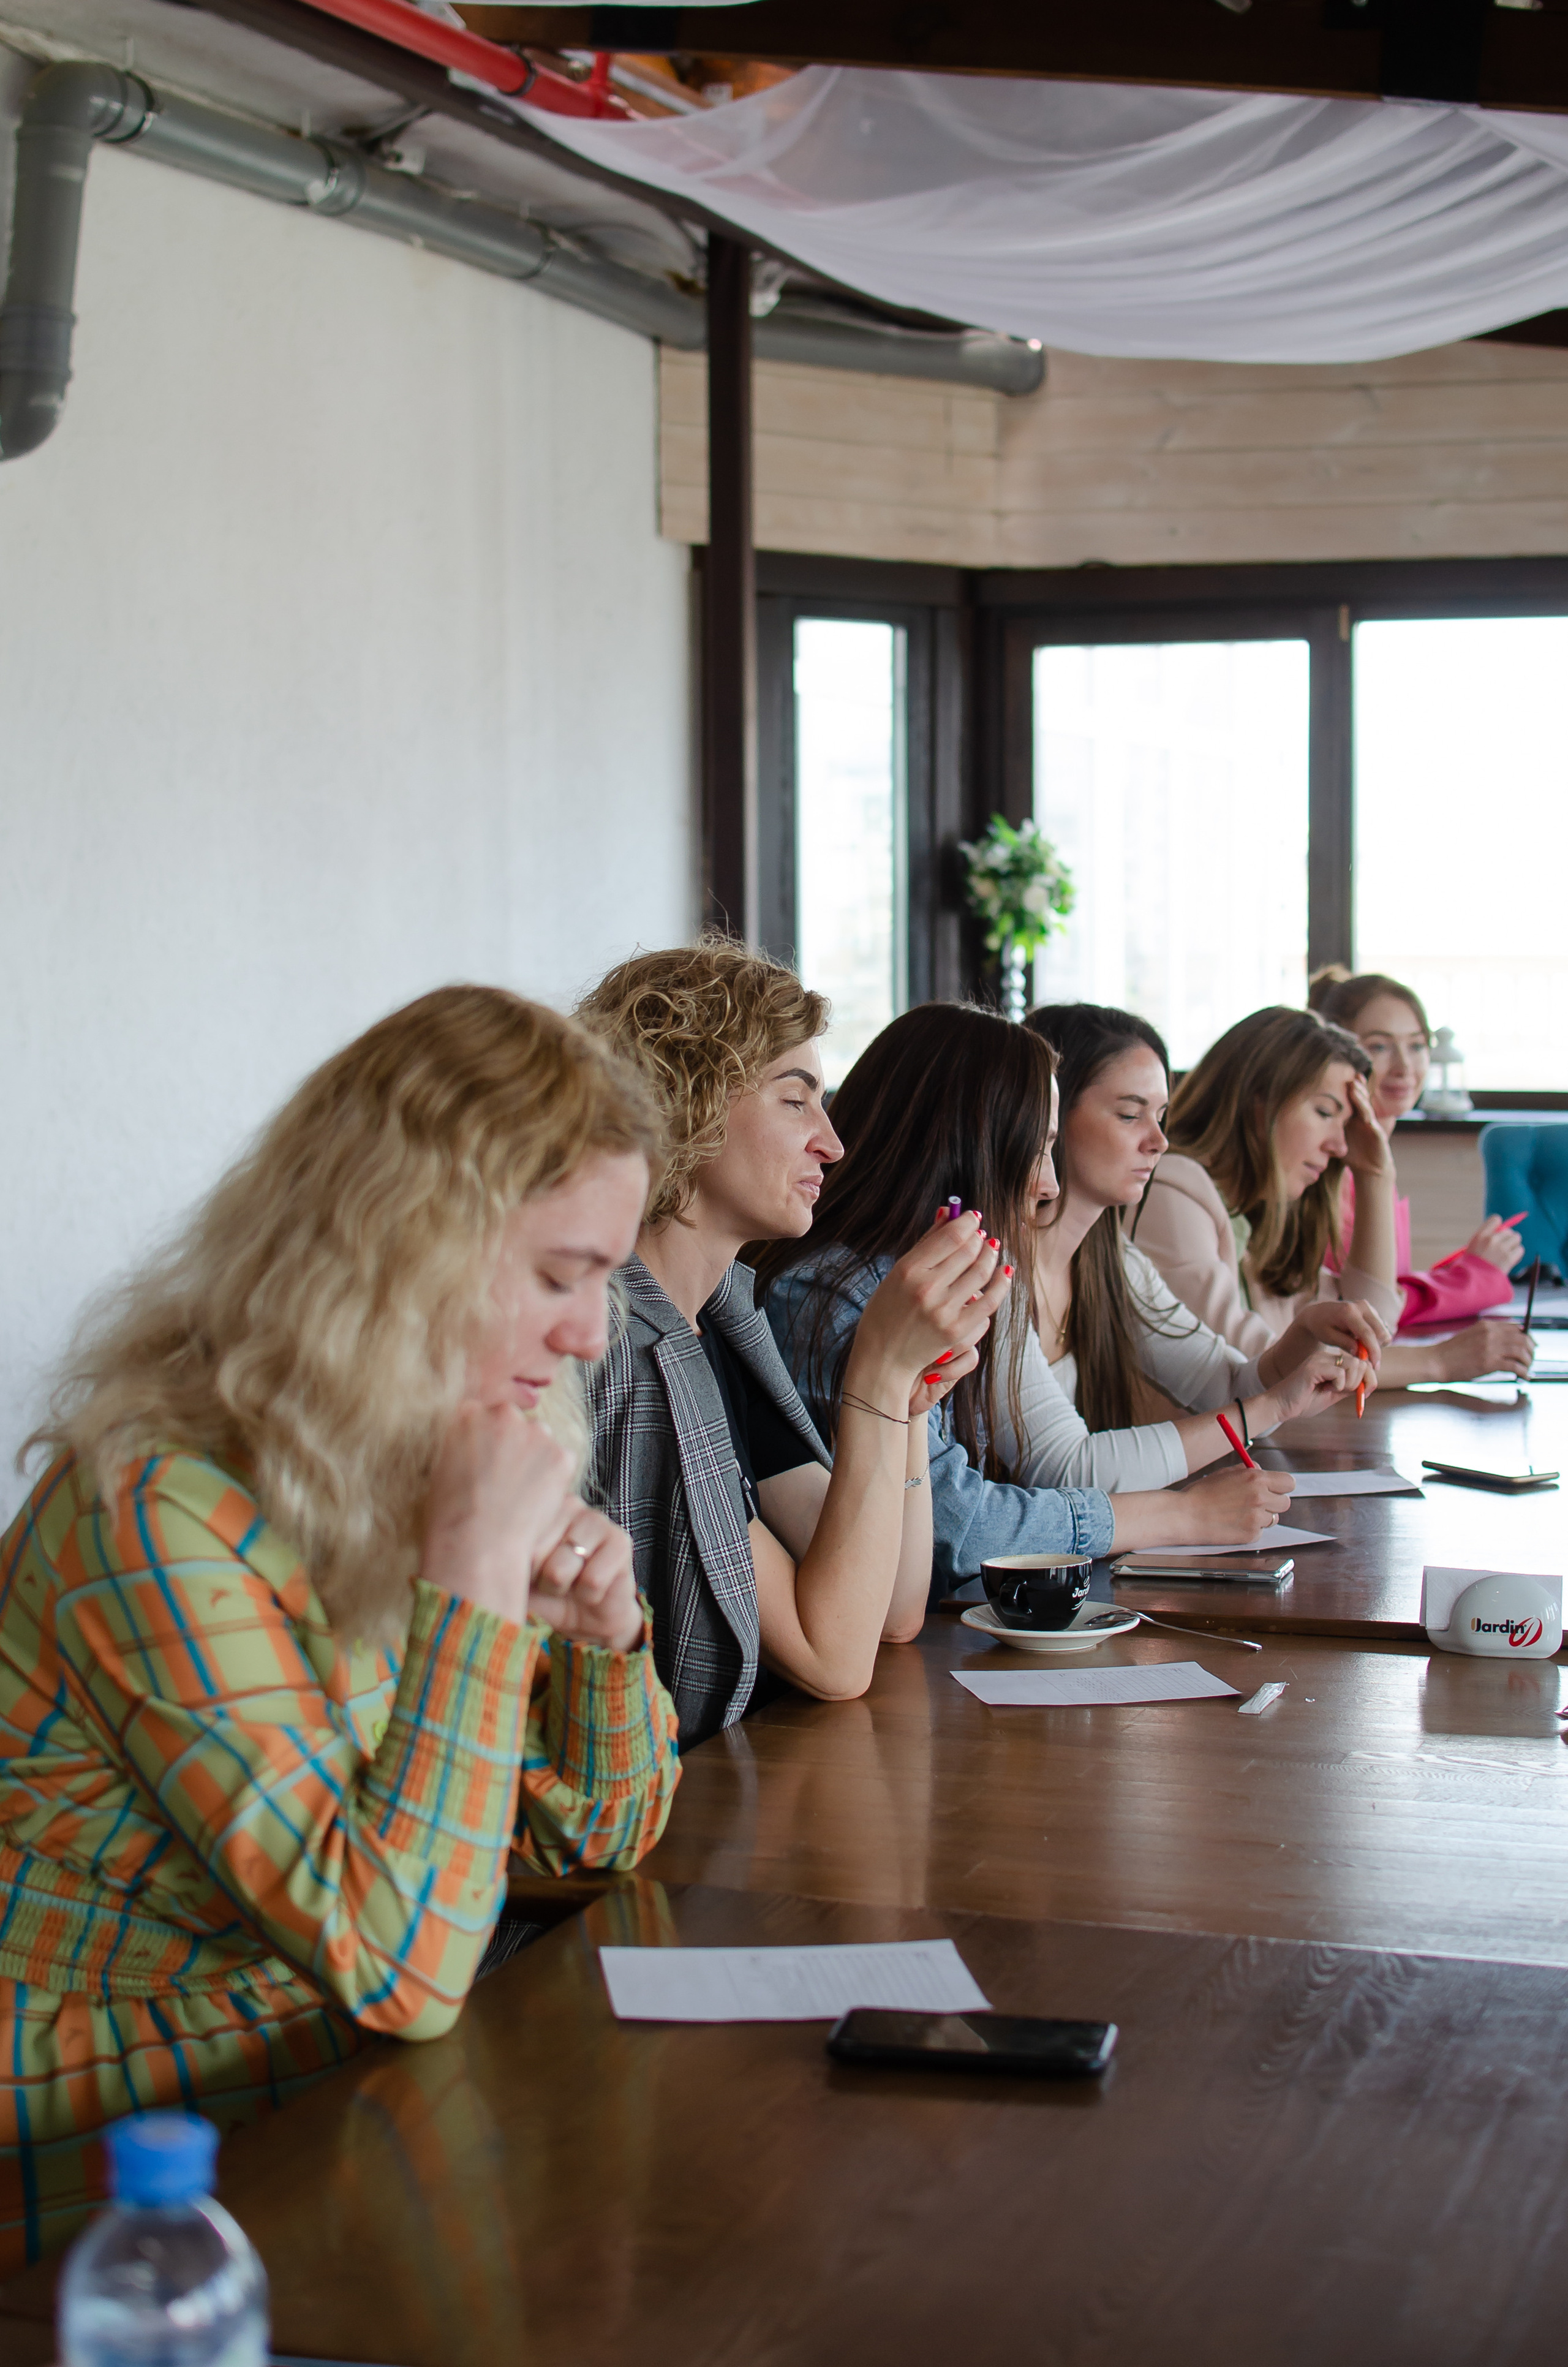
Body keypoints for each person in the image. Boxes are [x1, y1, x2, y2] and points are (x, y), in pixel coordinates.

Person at [0, 987, 682, 2272]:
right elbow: (404, 1963)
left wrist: (595, 1647)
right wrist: (476, 1578)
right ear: (399, 1247)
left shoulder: (392, 1455)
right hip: (107, 2183)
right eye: (557, 1276)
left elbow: (594, 1841)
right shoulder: (153, 1509)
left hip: (320, 2112)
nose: (594, 1335)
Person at [577, 942, 1006, 1748]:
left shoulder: (727, 1315)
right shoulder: (622, 1343)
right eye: (795, 1101)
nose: (832, 1144)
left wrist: (905, 1398)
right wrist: (874, 1376)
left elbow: (892, 1610)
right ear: (686, 1105)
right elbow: (833, 1657)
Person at [758, 1003, 1314, 1601]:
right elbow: (959, 1529)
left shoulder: (937, 1279)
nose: (1048, 1186)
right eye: (1035, 1149)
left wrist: (1297, 1357)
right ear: (959, 1146)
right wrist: (1180, 1515)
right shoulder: (839, 1293)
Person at [1014, 1002, 1381, 1490]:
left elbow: (1224, 1388)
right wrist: (1271, 1407)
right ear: (1050, 1115)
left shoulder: (1112, 1262)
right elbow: (1069, 1469)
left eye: (1161, 1117)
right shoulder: (998, 1270)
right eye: (1130, 1115)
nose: (1160, 1141)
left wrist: (1303, 1338)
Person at [1137, 1003, 1531, 1389]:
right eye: (1326, 1113)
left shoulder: (1262, 1211)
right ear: (1261, 1101)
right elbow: (1250, 1367)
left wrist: (1375, 1173)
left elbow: (1370, 1327)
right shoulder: (1174, 1188)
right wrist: (1438, 1361)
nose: (1341, 1146)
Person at [1308, 967, 1532, 1379]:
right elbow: (1361, 1313)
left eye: (1417, 1046)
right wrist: (1473, 1276)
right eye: (1379, 1046)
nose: (1404, 1067)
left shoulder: (1374, 1166)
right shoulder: (1322, 1167)